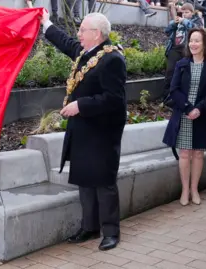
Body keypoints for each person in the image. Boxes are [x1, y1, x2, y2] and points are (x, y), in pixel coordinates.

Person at [39, 11, 126, 251]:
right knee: (84, 179)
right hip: (83, 128)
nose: (77, 34)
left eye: (82, 30)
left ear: (96, 34)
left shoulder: (112, 59)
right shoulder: (87, 52)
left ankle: (111, 232)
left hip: (102, 131)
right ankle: (89, 227)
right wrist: (46, 23)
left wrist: (81, 105)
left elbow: (114, 99)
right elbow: (66, 43)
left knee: (103, 181)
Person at [162, 28, 206, 206]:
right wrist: (188, 108)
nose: (193, 44)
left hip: (203, 114)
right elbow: (174, 90)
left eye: (197, 41)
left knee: (198, 154)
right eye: (191, 40)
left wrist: (199, 109)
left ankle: (195, 189)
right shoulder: (182, 64)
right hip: (184, 115)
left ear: (205, 44)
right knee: (185, 154)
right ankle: (185, 190)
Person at [163, 3, 203, 98]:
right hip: (175, 48)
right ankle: (166, 97)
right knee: (170, 72)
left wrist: (184, 21)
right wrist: (173, 23)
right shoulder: (178, 21)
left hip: (188, 50)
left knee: (185, 74)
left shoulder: (197, 20)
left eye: (187, 12)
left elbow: (197, 30)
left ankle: (182, 97)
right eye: (183, 12)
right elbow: (167, 31)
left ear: (192, 13)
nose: (184, 14)